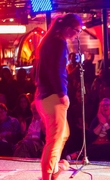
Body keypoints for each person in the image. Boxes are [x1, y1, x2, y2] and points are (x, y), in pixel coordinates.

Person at [34, 13, 82, 180]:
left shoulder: (48, 42)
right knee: (55, 140)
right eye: (77, 30)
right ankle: (47, 176)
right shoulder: (58, 43)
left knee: (63, 134)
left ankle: (53, 169)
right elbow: (56, 72)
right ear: (68, 29)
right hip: (53, 97)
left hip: (44, 96)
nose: (77, 34)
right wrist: (62, 94)